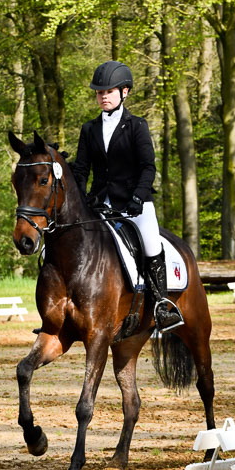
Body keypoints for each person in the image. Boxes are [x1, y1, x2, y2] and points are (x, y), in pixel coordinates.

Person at [71, 60, 182, 330]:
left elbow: (148, 167)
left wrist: (138, 197)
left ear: (124, 93)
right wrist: (80, 198)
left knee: (150, 243)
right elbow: (81, 169)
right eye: (99, 92)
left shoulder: (137, 126)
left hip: (135, 204)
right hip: (99, 205)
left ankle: (161, 305)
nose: (103, 96)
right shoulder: (89, 129)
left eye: (108, 91)